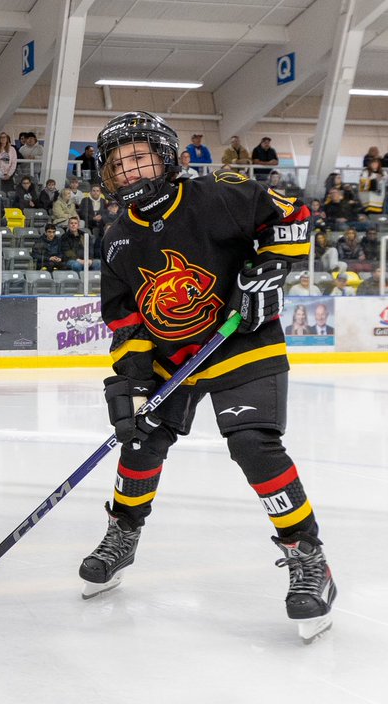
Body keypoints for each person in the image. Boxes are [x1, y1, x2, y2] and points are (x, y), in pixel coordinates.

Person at [84, 111, 335, 642]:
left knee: (253, 445)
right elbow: (126, 320)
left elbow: (293, 217)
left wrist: (271, 265)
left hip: (241, 340)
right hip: (171, 359)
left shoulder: (219, 194)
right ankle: (123, 534)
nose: (129, 171)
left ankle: (308, 557)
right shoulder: (117, 239)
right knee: (141, 440)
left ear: (166, 157)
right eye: (118, 164)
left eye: (139, 157)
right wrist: (133, 381)